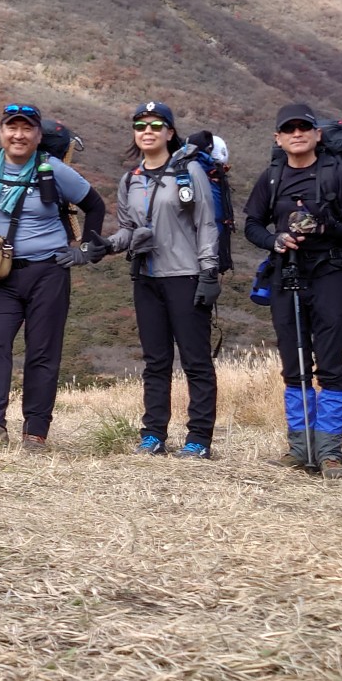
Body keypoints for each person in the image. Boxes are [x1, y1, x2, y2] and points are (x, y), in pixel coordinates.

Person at [0, 103, 106, 451]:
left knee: (43, 351)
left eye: (27, 129)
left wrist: (86, 249)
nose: (19, 135)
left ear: (38, 135)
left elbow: (95, 205)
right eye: (12, 127)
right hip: (2, 273)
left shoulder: (54, 170)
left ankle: (35, 432)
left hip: (49, 272)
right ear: (1, 131)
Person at [243, 103, 342, 476]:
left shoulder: (338, 174)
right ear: (278, 138)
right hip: (286, 274)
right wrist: (274, 240)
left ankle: (330, 452)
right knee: (294, 365)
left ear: (317, 135)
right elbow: (252, 224)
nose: (297, 134)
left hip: (329, 273)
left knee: (330, 363)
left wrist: (323, 229)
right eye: (289, 129)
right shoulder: (271, 177)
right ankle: (300, 449)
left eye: (304, 128)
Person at [102, 102, 222, 459]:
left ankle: (199, 439)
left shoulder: (189, 172)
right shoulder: (131, 179)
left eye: (156, 125)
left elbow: (206, 223)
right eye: (141, 125)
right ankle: (153, 435)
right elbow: (128, 229)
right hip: (146, 277)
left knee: (196, 361)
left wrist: (209, 271)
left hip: (186, 275)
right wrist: (106, 245)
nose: (148, 131)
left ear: (170, 132)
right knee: (155, 361)